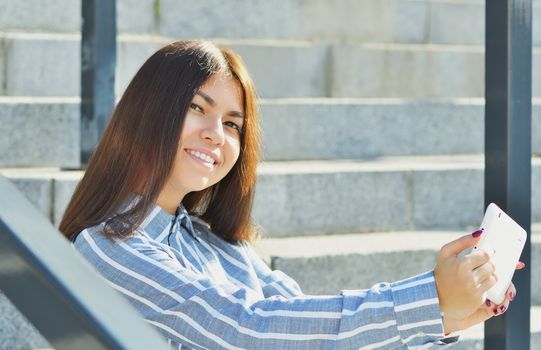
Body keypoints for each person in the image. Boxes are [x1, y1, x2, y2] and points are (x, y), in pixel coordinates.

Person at [59, 40, 521, 349]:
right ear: (147, 112)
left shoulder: (220, 247)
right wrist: (429, 297)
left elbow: (303, 321)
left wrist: (447, 315)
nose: (216, 135)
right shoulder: (109, 248)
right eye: (197, 107)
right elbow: (250, 331)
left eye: (233, 124)